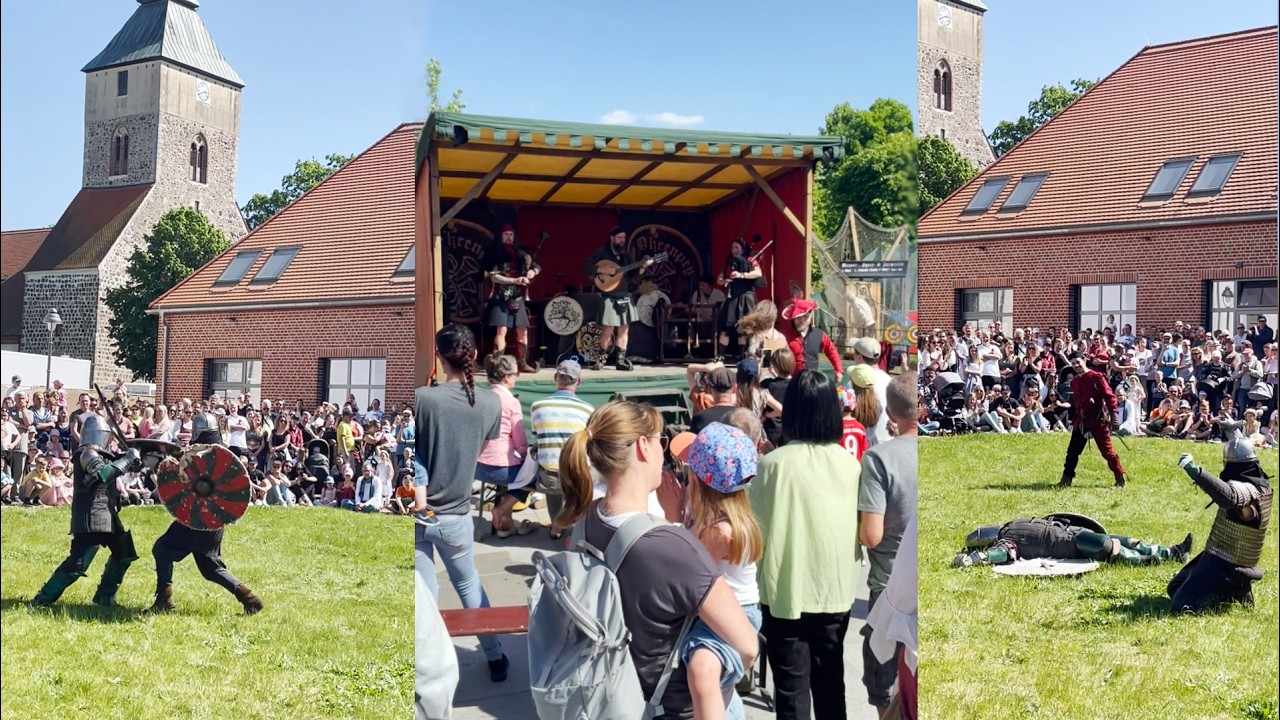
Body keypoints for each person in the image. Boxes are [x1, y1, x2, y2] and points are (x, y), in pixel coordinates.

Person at [557, 400, 758, 719]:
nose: (664, 451)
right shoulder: (673, 546)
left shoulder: (586, 521)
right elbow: (747, 645)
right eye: (660, 440)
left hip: (616, 695)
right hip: (675, 707)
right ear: (642, 447)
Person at [749, 370, 861, 720]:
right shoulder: (851, 464)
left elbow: (756, 530)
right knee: (831, 683)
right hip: (836, 590)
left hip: (785, 592)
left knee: (791, 690)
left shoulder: (772, 466)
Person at [413, 324, 510, 682]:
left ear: (439, 356)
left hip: (419, 513)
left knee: (424, 593)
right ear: (472, 356)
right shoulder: (490, 401)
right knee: (469, 586)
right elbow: (482, 450)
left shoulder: (423, 398)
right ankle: (496, 657)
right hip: (455, 511)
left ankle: (428, 663)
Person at [670, 423, 764, 720]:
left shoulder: (718, 532)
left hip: (728, 615)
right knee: (722, 695)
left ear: (696, 481)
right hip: (728, 611)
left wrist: (673, 517)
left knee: (704, 670)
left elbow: (686, 570)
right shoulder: (717, 520)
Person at [30, 415, 141, 608]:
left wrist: (132, 464)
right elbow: (104, 475)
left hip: (107, 514)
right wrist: (128, 458)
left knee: (124, 553)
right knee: (78, 562)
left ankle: (105, 596)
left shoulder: (102, 456)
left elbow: (110, 476)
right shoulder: (87, 454)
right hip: (91, 516)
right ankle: (43, 599)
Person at [857, 372, 919, 712]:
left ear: (889, 415)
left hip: (889, 593)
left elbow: (871, 534)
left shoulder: (879, 458)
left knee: (884, 693)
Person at [1168, 422, 1272, 611]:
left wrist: (1197, 472)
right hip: (1218, 554)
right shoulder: (1262, 485)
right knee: (1174, 588)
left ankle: (1229, 592)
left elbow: (1230, 497)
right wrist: (1233, 431)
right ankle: (1235, 588)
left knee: (1181, 606)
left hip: (1226, 565)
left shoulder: (1250, 490)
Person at [953, 514, 1190, 567]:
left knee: (1126, 540)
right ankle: (1152, 561)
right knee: (1106, 546)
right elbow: (1003, 554)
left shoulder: (1014, 523)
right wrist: (979, 558)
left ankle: (1171, 552)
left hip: (1070, 531)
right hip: (1067, 545)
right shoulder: (1005, 541)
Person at [529, 360, 594, 541]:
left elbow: (536, 435)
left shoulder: (537, 406)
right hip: (576, 478)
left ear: (555, 377)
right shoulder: (588, 410)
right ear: (579, 381)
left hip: (549, 480)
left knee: (551, 474)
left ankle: (556, 528)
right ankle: (572, 526)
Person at [476, 354, 536, 537]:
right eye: (516, 373)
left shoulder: (479, 398)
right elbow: (520, 441)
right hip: (501, 468)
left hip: (477, 467)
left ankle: (505, 526)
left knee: (513, 477)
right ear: (507, 377)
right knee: (533, 477)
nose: (517, 377)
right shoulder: (511, 401)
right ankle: (501, 510)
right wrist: (528, 458)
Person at [582, 227, 654, 371]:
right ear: (612, 238)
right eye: (619, 238)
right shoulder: (602, 253)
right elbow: (587, 266)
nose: (622, 241)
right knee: (608, 329)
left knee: (624, 330)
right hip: (609, 296)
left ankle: (620, 360)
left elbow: (634, 275)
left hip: (624, 296)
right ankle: (601, 358)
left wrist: (643, 267)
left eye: (624, 238)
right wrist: (604, 270)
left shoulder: (625, 256)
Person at [1059, 352, 1127, 488]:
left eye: (1078, 362)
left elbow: (1110, 397)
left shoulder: (1097, 377)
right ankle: (1066, 479)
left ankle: (1120, 477)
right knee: (1072, 452)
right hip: (1081, 421)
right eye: (1073, 363)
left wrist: (1114, 416)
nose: (1076, 365)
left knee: (1107, 452)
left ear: (1084, 360)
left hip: (1098, 420)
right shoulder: (1075, 381)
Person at [484, 224, 542, 373]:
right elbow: (493, 277)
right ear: (501, 236)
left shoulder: (519, 253)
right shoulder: (494, 253)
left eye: (511, 234)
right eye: (506, 235)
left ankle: (522, 363)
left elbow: (537, 266)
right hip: (500, 294)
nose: (509, 237)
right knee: (501, 330)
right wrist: (515, 281)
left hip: (517, 296)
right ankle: (497, 364)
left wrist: (532, 273)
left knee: (523, 331)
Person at [716, 237, 764, 355]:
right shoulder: (729, 262)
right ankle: (720, 357)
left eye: (737, 247)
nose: (734, 250)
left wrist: (741, 275)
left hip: (746, 297)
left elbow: (758, 273)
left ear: (742, 249)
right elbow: (719, 280)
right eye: (732, 248)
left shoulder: (750, 260)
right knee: (725, 329)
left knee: (744, 330)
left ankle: (741, 355)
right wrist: (726, 281)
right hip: (732, 298)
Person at [781, 299, 842, 376]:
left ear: (811, 316)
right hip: (791, 382)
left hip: (812, 381)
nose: (802, 320)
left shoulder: (819, 334)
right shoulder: (784, 336)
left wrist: (838, 370)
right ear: (793, 317)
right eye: (798, 317)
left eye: (805, 317)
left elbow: (831, 350)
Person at [849, 337, 893, 447]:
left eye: (854, 353)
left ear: (859, 357)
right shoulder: (891, 381)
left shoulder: (855, 383)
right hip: (890, 442)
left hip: (865, 444)